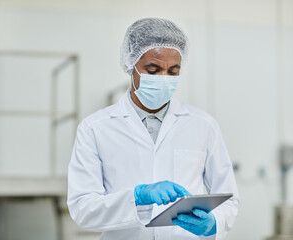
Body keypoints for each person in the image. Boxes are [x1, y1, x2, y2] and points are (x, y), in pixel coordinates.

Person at [67, 18, 239, 240]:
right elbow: (82, 208)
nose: (164, 79)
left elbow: (229, 197)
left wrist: (215, 222)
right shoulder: (95, 129)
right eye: (153, 69)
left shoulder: (203, 125)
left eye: (173, 71)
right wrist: (137, 197)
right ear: (131, 66)